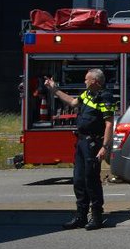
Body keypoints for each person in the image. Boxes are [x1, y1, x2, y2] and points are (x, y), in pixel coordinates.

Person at [43, 70, 115, 230]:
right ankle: (80, 216)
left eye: (86, 79)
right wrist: (54, 89)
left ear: (95, 81)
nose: (84, 81)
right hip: (81, 142)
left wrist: (105, 147)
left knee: (91, 180)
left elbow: (109, 123)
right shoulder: (87, 93)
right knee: (79, 180)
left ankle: (96, 216)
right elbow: (73, 102)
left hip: (93, 143)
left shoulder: (105, 97)